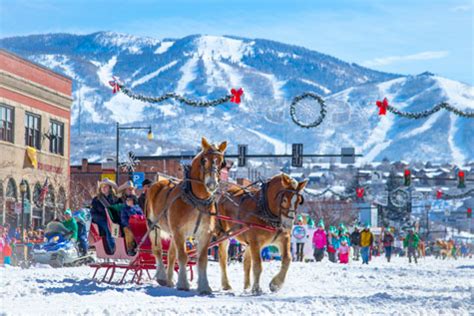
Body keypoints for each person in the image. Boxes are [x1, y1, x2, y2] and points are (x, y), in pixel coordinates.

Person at [91, 178, 118, 254]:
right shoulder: (96, 200)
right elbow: (93, 213)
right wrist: (104, 218)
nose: (104, 188)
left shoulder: (115, 199)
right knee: (109, 228)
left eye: (106, 186)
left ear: (110, 188)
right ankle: (112, 249)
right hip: (101, 219)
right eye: (102, 186)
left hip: (112, 219)